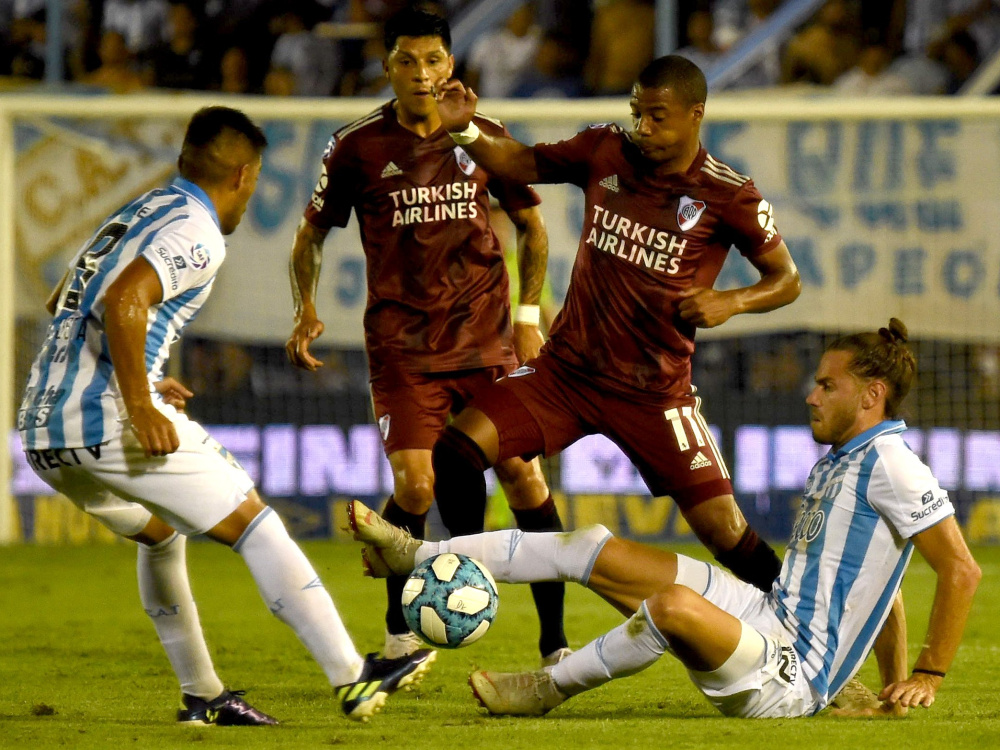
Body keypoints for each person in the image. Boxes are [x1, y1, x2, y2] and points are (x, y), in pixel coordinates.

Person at [17, 106, 433, 725]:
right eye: (255, 180)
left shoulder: (138, 211)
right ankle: (354, 678)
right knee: (255, 524)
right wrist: (138, 401)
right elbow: (126, 299)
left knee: (160, 535)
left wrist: (142, 372)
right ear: (243, 175)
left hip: (42, 430)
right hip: (106, 419)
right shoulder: (197, 230)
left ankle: (204, 696)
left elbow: (66, 300)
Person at [349, 319, 981, 718]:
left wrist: (926, 675)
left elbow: (961, 570)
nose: (811, 395)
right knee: (592, 545)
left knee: (673, 606)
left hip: (788, 675)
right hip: (766, 615)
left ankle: (545, 688)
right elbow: (885, 591)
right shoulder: (843, 461)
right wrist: (890, 693)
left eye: (827, 386)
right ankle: (415, 554)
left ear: (872, 395)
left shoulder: (893, 465)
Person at [430, 54, 800, 595]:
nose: (642, 127)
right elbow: (519, 162)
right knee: (456, 452)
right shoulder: (605, 150)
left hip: (654, 394)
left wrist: (732, 301)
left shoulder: (727, 192)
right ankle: (462, 582)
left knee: (725, 531)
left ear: (695, 114)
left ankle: (801, 623)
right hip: (567, 373)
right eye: (636, 113)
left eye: (657, 116)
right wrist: (465, 130)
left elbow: (787, 279)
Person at [285, 7, 570, 666]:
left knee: (524, 477)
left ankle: (555, 643)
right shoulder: (357, 147)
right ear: (387, 67)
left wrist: (529, 319)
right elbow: (309, 236)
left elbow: (532, 228)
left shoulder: (482, 136)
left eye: (433, 60)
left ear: (451, 64)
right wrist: (305, 309)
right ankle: (399, 634)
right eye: (407, 61)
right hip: (404, 349)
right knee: (415, 488)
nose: (422, 73)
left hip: (487, 342)